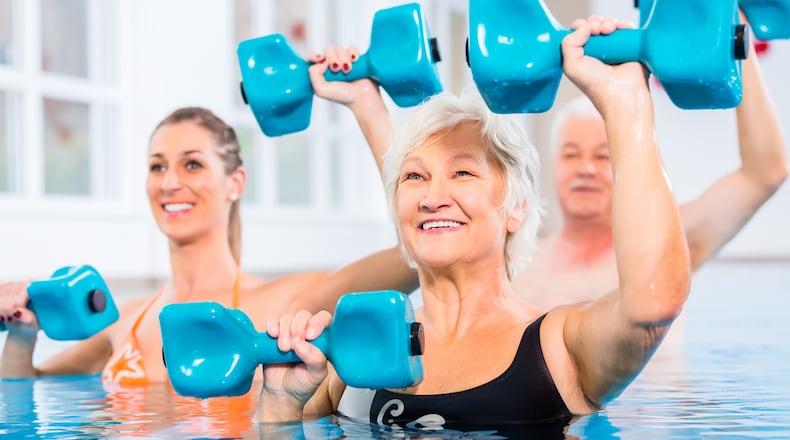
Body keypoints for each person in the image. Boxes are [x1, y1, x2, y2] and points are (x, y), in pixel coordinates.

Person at [253, 16, 692, 434]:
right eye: (414, 177)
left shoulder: (560, 346)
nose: (432, 198)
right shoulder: (347, 356)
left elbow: (651, 306)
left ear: (515, 207)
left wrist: (625, 104)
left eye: (462, 173)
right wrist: (279, 405)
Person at [0, 46, 418, 385]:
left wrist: (365, 103)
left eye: (192, 164)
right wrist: (21, 336)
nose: (169, 183)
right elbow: (27, 392)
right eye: (157, 166)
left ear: (235, 183)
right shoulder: (124, 319)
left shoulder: (285, 305)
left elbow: (416, 252)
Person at [512, 20, 787, 312]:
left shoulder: (666, 245)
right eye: (571, 155)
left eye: (602, 156)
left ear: (627, 163)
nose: (586, 169)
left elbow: (765, 172)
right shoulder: (519, 260)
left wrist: (737, 36)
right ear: (553, 165)